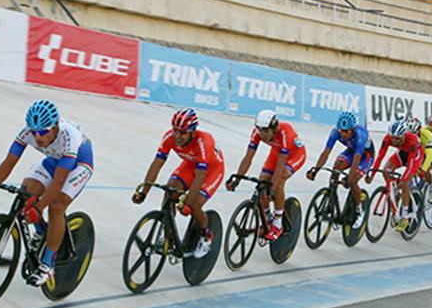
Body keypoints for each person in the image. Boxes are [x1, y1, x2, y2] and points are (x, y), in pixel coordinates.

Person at [0, 100, 94, 286]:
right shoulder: (27, 132)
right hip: (54, 161)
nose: (38, 137)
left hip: (78, 166)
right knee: (26, 193)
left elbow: (59, 181)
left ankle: (47, 264)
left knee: (56, 206)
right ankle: (42, 231)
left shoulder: (70, 137)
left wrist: (40, 206)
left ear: (56, 127)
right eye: (35, 132)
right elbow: (8, 163)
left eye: (43, 132)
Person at [131, 108, 223, 258]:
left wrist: (188, 202)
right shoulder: (169, 137)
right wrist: (144, 192)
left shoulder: (203, 141)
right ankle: (168, 236)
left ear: (192, 132)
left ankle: (206, 235)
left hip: (211, 170)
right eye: (175, 130)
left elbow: (200, 176)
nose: (178, 136)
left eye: (183, 132)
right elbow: (156, 164)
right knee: (170, 191)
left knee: (193, 205)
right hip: (190, 165)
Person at [226, 110, 306, 241]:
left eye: (265, 131)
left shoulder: (285, 132)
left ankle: (278, 223)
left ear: (274, 129)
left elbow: (281, 165)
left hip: (294, 155)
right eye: (259, 130)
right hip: (276, 153)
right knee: (262, 182)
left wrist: (273, 190)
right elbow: (248, 157)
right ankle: (267, 219)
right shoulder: (257, 133)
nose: (262, 134)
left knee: (279, 180)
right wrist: (237, 178)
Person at [306, 111, 374, 228]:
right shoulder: (336, 132)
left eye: (345, 131)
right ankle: (332, 201)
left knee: (353, 181)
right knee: (336, 167)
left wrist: (349, 178)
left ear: (352, 130)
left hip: (365, 156)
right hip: (351, 152)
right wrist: (315, 170)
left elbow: (356, 162)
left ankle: (359, 211)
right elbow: (325, 153)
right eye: (340, 130)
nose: (342, 134)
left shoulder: (360, 136)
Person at [366, 120, 424, 232]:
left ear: (403, 135)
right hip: (402, 153)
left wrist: (404, 179)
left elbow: (411, 164)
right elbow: (380, 157)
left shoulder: (412, 140)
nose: (395, 141)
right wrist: (372, 174)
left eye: (398, 139)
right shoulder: (388, 138)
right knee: (386, 171)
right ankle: (395, 195)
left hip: (415, 156)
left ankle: (405, 216)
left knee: (404, 182)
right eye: (393, 138)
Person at [407, 117, 432, 203]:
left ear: (419, 130)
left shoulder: (426, 136)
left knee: (427, 168)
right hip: (421, 151)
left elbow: (429, 156)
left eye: (414, 133)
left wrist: (424, 170)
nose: (412, 136)